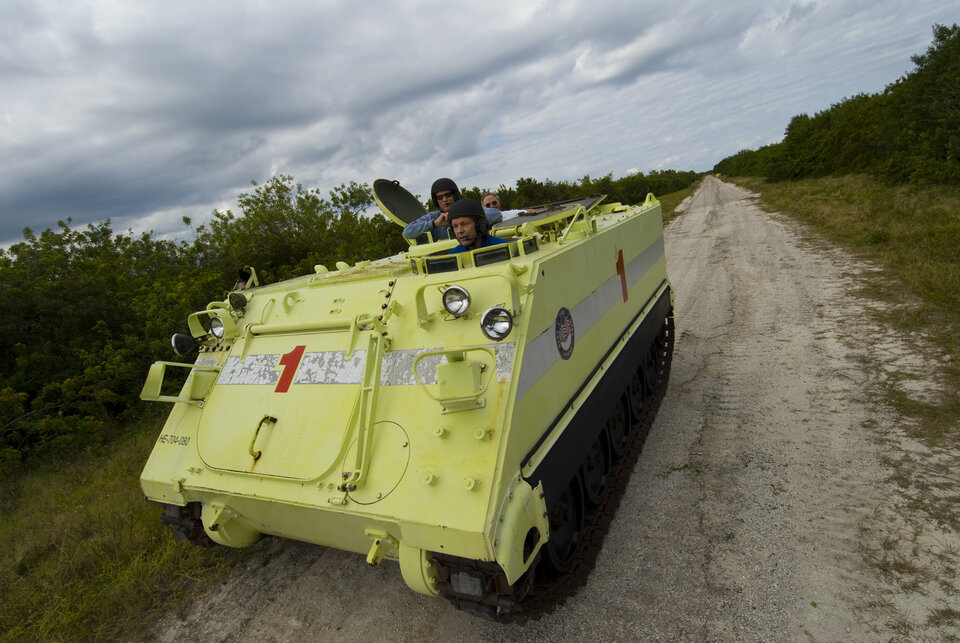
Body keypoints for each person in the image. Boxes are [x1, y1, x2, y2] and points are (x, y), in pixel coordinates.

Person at [403, 178, 502, 240]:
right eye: (440, 197)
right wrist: (435, 223)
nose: (444, 200)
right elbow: (408, 232)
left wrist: (463, 215)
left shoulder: (468, 207)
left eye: (448, 195)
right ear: (436, 201)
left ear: (455, 195)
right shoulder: (434, 217)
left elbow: (496, 214)